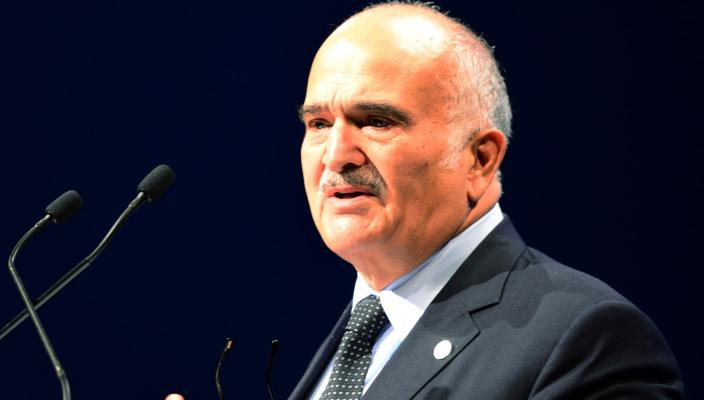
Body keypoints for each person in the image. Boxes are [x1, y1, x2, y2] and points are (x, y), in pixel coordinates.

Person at [285, 2, 684, 399]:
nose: (336, 155)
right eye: (319, 124)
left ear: (479, 159)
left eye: (377, 121)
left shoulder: (585, 339)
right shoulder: (358, 336)